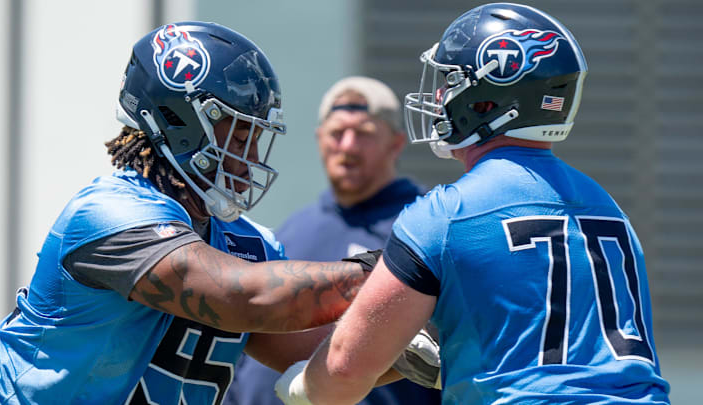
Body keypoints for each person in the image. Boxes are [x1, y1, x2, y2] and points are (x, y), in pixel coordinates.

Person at [275, 3, 671, 404]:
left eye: (451, 81)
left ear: (486, 101)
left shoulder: (446, 215)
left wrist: (298, 386)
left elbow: (345, 368)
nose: (440, 95)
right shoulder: (610, 208)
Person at [0, 22, 378, 405]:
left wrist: (417, 332)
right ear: (180, 124)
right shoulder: (107, 214)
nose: (251, 158)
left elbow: (326, 358)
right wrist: (385, 271)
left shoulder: (249, 244)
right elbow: (242, 296)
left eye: (257, 138)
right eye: (241, 136)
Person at [223, 77, 441, 405]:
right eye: (337, 133)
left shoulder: (425, 224)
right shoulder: (289, 233)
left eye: (364, 134)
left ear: (395, 144)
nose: (348, 146)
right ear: (320, 139)